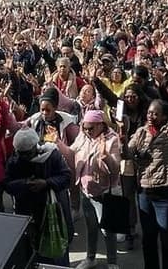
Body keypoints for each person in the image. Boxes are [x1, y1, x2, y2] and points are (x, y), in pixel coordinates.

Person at [128, 75, 168, 269]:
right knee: (149, 238)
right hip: (144, 193)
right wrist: (121, 138)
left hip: (165, 194)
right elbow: (126, 154)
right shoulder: (141, 133)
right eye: (149, 112)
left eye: (155, 114)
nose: (150, 116)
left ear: (163, 116)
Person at [5, 127, 73, 267]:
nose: (24, 157)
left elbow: (66, 177)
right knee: (31, 253)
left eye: (28, 153)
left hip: (53, 210)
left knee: (57, 253)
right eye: (21, 154)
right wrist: (24, 184)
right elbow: (7, 184)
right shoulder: (14, 160)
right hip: (27, 213)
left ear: (35, 147)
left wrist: (47, 183)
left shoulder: (52, 155)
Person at [64, 110, 122, 269]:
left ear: (100, 125)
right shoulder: (83, 136)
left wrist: (106, 156)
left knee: (108, 230)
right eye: (85, 127)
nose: (87, 131)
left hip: (104, 193)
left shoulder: (112, 140)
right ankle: (90, 258)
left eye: (90, 128)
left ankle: (112, 263)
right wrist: (58, 143)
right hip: (86, 191)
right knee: (91, 228)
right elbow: (71, 152)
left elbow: (116, 169)